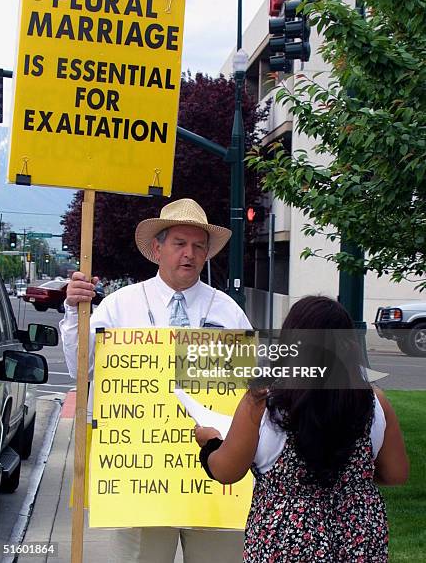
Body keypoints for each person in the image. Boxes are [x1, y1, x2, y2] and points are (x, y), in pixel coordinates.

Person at [60, 198, 251, 563]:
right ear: (157, 248)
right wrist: (74, 311)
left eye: (199, 246)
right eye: (180, 243)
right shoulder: (119, 305)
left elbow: (248, 389)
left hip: (213, 474)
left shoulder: (229, 311)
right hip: (140, 475)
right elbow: (79, 370)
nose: (189, 254)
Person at [195, 296, 409, 562]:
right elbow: (397, 473)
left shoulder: (263, 402)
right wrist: (350, 479)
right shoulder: (374, 401)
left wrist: (211, 442)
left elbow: (226, 471)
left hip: (283, 539)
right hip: (359, 536)